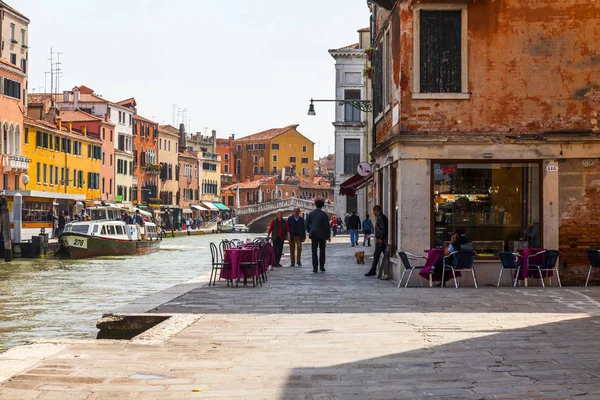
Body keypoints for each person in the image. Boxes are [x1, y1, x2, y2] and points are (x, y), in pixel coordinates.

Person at [305, 199, 331, 273]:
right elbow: (327, 226)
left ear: (315, 205)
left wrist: (310, 231)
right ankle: (322, 266)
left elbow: (306, 224)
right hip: (322, 234)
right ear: (322, 206)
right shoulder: (324, 214)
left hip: (314, 234)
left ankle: (315, 267)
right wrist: (328, 236)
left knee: (314, 251)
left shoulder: (311, 214)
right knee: (322, 250)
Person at [365, 205, 388, 277]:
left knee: (376, 255)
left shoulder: (381, 218)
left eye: (373, 211)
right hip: (380, 240)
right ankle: (375, 270)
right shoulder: (380, 217)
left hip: (380, 240)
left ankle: (373, 270)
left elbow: (383, 229)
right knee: (379, 255)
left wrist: (381, 238)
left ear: (376, 210)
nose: (373, 212)